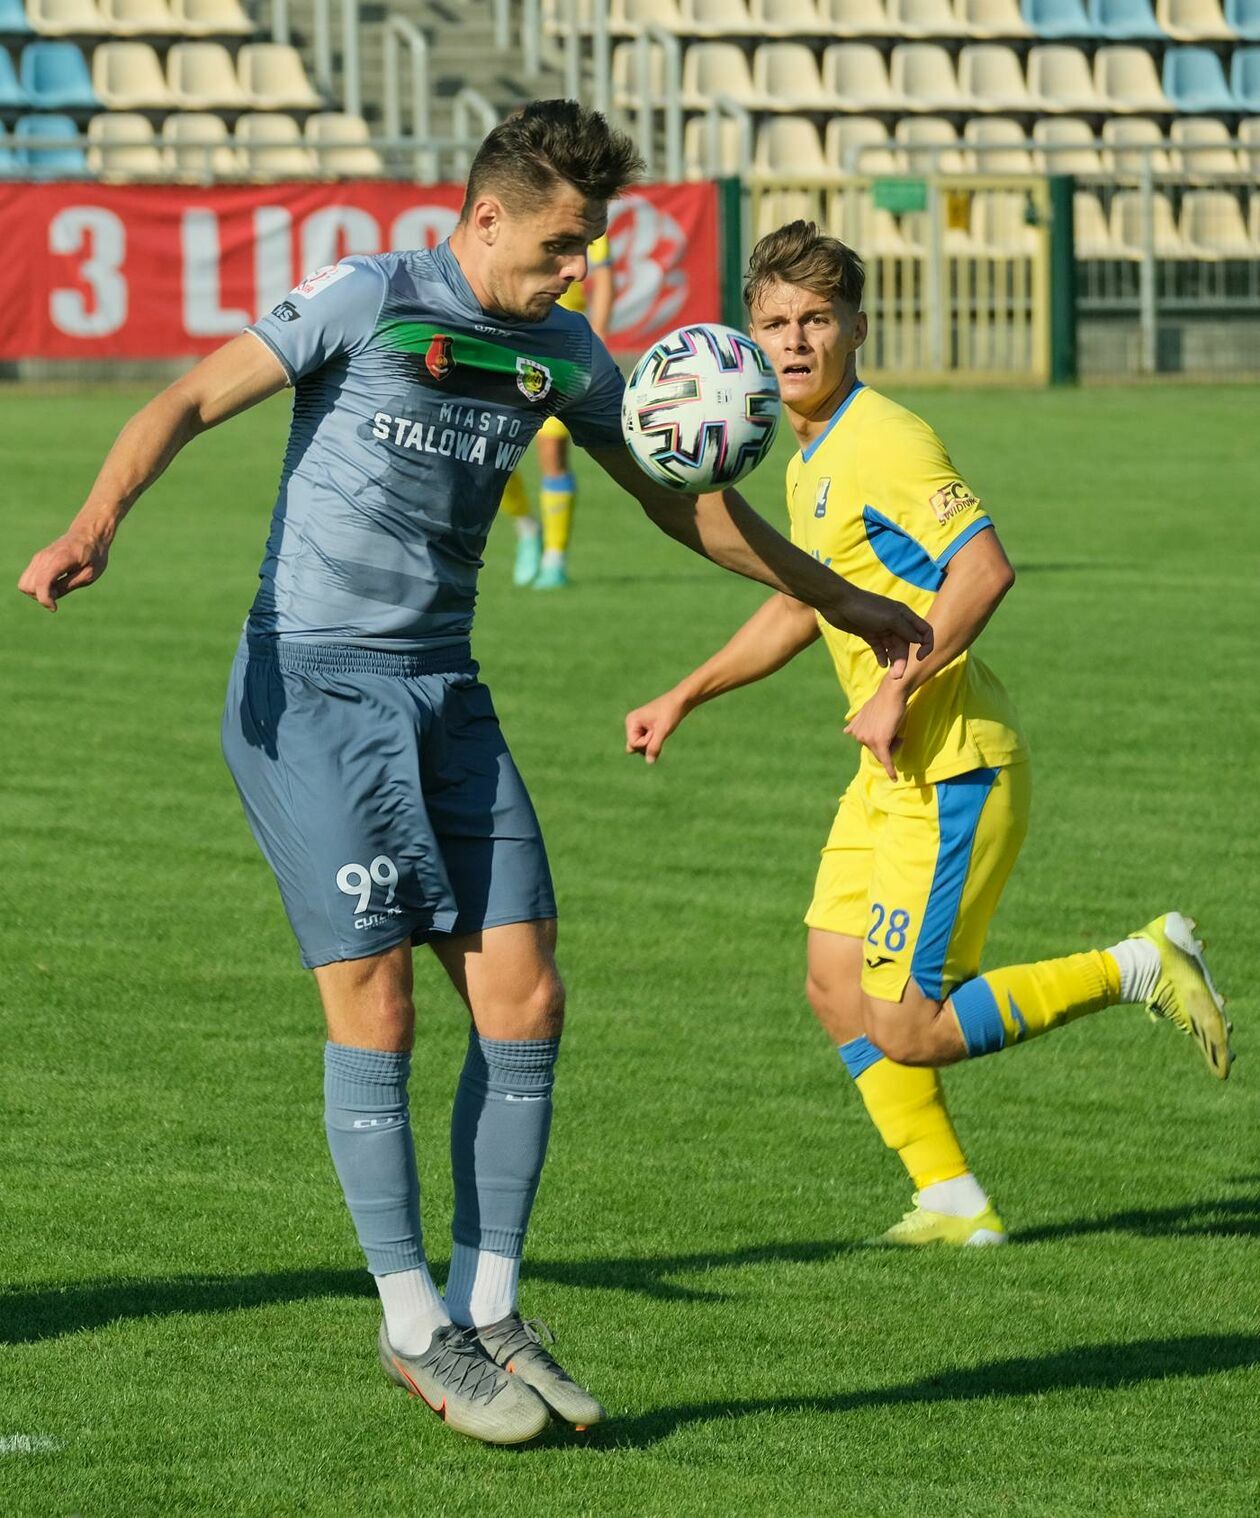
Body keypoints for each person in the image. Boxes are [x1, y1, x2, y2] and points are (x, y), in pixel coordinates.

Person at [17, 116, 931, 1445]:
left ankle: (488, 1304)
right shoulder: (368, 297)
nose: (576, 273)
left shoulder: (560, 350)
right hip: (312, 690)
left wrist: (841, 592)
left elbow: (682, 503)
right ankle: (408, 1322)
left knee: (527, 988)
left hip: (447, 692)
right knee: (379, 1002)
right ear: (489, 221)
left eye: (588, 249)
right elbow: (186, 398)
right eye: (560, 246)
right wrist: (97, 521)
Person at [625, 220, 1233, 1250]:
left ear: (859, 327)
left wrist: (901, 686)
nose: (796, 341)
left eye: (817, 318)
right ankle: (954, 1203)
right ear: (749, 340)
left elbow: (983, 569)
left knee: (909, 1024)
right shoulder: (805, 456)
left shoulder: (885, 440)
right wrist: (687, 691)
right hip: (888, 773)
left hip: (954, 767)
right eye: (774, 323)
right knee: (833, 986)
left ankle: (1142, 962)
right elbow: (803, 602)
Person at [499, 234, 614, 588]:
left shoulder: (587, 223)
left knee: (553, 454)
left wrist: (596, 338)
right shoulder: (525, 219)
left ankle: (554, 557)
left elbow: (606, 282)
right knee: (492, 452)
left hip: (563, 355)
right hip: (513, 347)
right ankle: (526, 527)